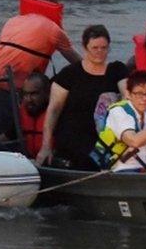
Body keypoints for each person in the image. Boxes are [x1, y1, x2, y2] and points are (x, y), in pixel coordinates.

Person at [36, 25, 129, 170]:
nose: (100, 52)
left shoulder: (117, 70)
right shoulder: (69, 74)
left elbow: (127, 93)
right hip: (74, 136)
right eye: (95, 48)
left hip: (105, 136)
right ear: (85, 48)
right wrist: (46, 146)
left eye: (104, 48)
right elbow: (53, 110)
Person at [0, 12, 82, 137]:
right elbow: (78, 62)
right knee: (7, 134)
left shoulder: (14, 21)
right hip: (3, 84)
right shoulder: (54, 29)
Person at [92, 70, 146, 172]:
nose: (144, 98)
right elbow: (134, 141)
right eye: (138, 93)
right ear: (128, 94)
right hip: (121, 171)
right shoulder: (118, 112)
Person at [17, 72, 50, 158]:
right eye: (25, 94)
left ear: (47, 93)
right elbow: (9, 135)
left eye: (34, 94)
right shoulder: (22, 113)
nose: (28, 99)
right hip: (30, 161)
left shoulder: (60, 115)